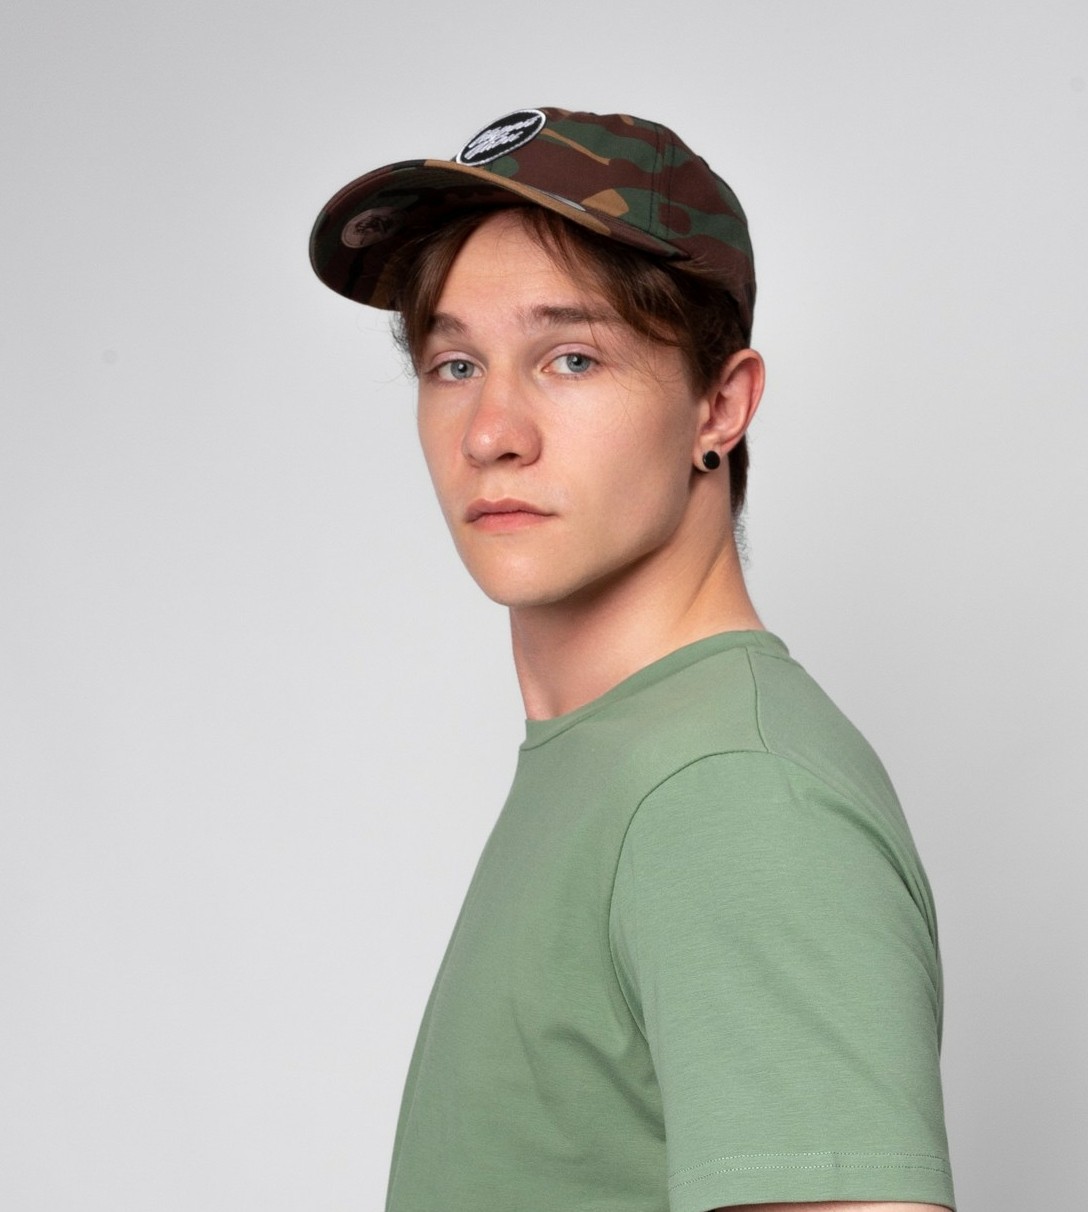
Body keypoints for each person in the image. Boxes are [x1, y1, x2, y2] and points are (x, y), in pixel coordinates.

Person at [309, 107, 955, 1212]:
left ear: (719, 404)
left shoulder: (732, 798)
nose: (489, 433)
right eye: (454, 363)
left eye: (571, 358)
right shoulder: (625, 757)